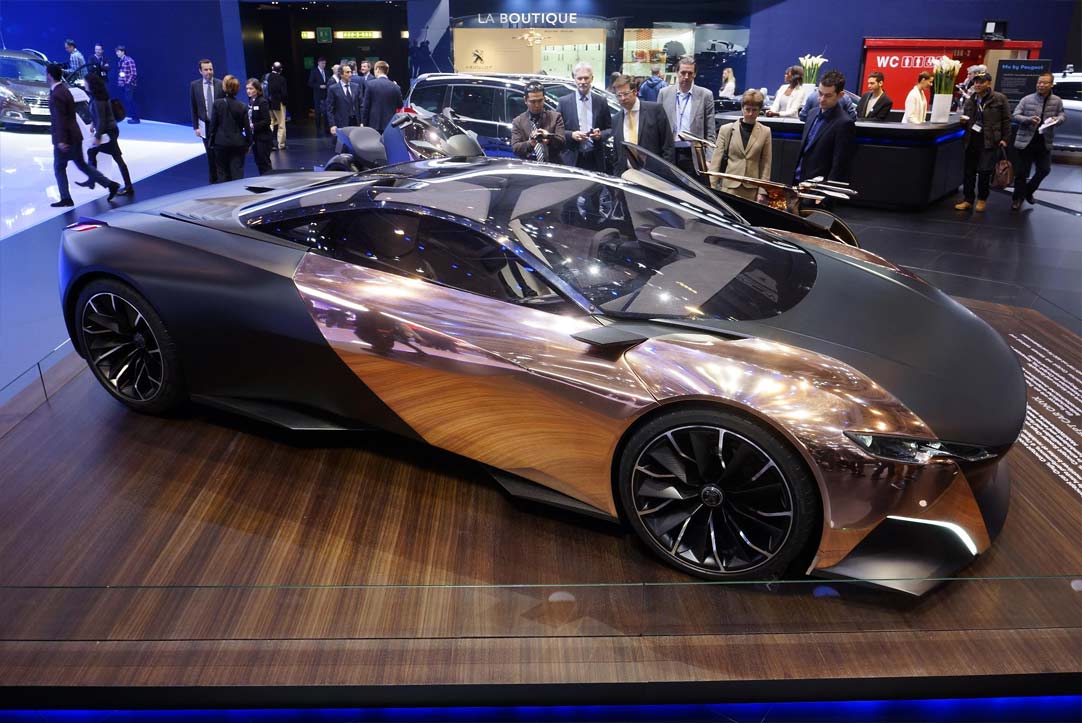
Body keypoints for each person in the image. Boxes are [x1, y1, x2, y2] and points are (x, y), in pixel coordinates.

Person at [45, 63, 119, 207]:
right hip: (75, 136)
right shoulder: (65, 90)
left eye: (46, 73)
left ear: (49, 75)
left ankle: (66, 198)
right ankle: (110, 185)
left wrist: (61, 140)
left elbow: (60, 119)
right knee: (82, 165)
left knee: (59, 168)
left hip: (65, 139)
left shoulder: (57, 94)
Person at [954, 72, 1010, 212]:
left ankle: (982, 199)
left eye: (981, 82)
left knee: (985, 171)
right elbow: (967, 118)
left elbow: (1006, 120)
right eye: (976, 82)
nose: (977, 85)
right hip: (971, 139)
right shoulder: (970, 100)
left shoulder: (999, 98)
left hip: (989, 140)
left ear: (988, 83)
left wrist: (1005, 138)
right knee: (969, 172)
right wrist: (962, 122)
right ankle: (968, 199)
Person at [1011, 72, 1066, 210]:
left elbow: (1062, 114)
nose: (1041, 85)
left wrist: (1057, 119)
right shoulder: (1027, 99)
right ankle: (1017, 198)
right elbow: (1015, 115)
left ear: (1051, 84)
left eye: (1044, 83)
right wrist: (1028, 120)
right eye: (1039, 82)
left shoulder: (1057, 100)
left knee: (1044, 169)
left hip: (1044, 141)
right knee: (1021, 172)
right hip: (1026, 140)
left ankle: (1028, 191)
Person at [792, 70, 854, 188]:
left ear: (840, 95)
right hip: (798, 180)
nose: (821, 99)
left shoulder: (844, 123)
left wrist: (827, 192)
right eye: (820, 93)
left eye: (828, 95)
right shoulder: (811, 113)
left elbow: (839, 165)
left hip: (819, 188)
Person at [709, 89, 772, 201]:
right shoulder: (726, 130)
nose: (750, 113)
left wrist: (762, 191)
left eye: (754, 110)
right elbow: (716, 161)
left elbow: (766, 164)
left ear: (759, 110)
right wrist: (712, 188)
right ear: (742, 108)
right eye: (747, 109)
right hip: (729, 188)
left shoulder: (765, 132)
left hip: (752, 190)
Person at [658, 56, 715, 173]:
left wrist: (709, 159)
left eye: (690, 73)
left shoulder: (705, 95)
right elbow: (658, 128)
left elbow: (710, 132)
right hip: (669, 153)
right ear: (677, 72)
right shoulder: (664, 94)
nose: (686, 77)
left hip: (693, 155)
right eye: (683, 73)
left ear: (695, 74)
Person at [80, 72, 133, 196]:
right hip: (109, 131)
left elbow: (102, 120)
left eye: (85, 82)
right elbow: (98, 117)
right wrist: (93, 124)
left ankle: (125, 186)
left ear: (91, 84)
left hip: (108, 133)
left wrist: (98, 136)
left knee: (112, 157)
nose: (84, 84)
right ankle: (93, 180)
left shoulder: (98, 100)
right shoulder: (98, 97)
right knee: (95, 153)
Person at [610, 74, 673, 174]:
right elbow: (617, 154)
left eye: (626, 94)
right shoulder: (616, 119)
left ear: (635, 91)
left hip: (654, 175)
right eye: (619, 95)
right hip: (627, 175)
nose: (622, 98)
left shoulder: (655, 111)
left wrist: (666, 173)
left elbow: (668, 146)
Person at [557, 62, 611, 172]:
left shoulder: (601, 101)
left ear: (592, 78)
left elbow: (610, 128)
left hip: (595, 158)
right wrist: (571, 135)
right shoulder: (564, 102)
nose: (583, 82)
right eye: (579, 78)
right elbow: (556, 130)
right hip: (572, 159)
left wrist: (600, 135)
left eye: (586, 78)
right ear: (574, 79)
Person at [510, 81, 565, 161]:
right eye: (532, 102)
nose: (537, 105)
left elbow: (562, 143)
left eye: (540, 101)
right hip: (529, 166)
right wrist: (530, 143)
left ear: (544, 99)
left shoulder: (555, 117)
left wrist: (549, 138)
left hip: (552, 165)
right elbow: (515, 148)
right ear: (525, 100)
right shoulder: (518, 121)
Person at [209, 74, 250, 182]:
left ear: (224, 87)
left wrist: (211, 143)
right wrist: (248, 143)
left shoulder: (217, 104)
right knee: (237, 174)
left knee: (222, 173)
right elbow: (247, 128)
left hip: (220, 143)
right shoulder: (242, 106)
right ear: (237, 89)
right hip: (238, 143)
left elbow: (213, 126)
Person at [190, 59, 224, 183]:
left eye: (211, 69)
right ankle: (213, 180)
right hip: (205, 125)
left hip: (219, 125)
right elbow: (193, 106)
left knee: (220, 153)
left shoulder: (220, 84)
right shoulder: (195, 85)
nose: (209, 72)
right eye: (206, 69)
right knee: (210, 154)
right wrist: (196, 127)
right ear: (200, 71)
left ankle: (223, 178)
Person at [361, 61, 403, 134]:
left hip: (373, 125)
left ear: (377, 69)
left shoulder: (370, 84)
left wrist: (364, 123)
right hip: (391, 125)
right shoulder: (396, 87)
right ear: (387, 71)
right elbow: (400, 106)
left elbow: (366, 107)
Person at [326, 63, 363, 137]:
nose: (350, 74)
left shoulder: (356, 87)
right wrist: (332, 125)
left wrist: (362, 121)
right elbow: (329, 109)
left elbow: (361, 105)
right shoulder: (333, 89)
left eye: (351, 72)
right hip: (341, 123)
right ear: (341, 74)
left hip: (355, 122)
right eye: (347, 72)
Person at [247, 78, 273, 175]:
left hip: (263, 138)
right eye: (247, 88)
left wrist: (253, 126)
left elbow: (267, 121)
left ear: (257, 89)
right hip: (255, 138)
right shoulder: (251, 101)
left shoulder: (262, 102)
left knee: (265, 163)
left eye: (251, 88)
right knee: (259, 162)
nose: (248, 91)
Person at [265, 62, 289, 149]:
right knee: (281, 124)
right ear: (281, 69)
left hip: (268, 103)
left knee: (270, 123)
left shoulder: (266, 77)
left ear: (272, 68)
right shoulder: (281, 79)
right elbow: (284, 93)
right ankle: (281, 144)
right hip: (278, 103)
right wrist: (284, 103)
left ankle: (268, 143)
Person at [115, 46, 139, 123]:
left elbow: (134, 73)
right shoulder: (120, 61)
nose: (117, 53)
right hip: (123, 84)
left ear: (123, 52)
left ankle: (136, 118)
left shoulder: (129, 60)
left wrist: (128, 82)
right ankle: (132, 116)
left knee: (130, 101)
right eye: (116, 52)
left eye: (118, 51)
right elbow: (122, 73)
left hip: (129, 85)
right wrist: (120, 82)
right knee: (128, 101)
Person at [308, 57, 330, 136]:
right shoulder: (314, 71)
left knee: (326, 112)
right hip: (317, 95)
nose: (324, 65)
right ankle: (318, 129)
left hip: (326, 94)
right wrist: (319, 86)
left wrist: (327, 85)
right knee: (318, 113)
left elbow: (328, 81)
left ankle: (326, 129)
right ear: (318, 63)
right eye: (322, 63)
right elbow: (310, 83)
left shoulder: (326, 71)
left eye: (325, 63)